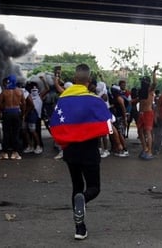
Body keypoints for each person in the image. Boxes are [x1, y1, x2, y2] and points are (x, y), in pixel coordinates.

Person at [49, 64, 113, 241]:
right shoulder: (95, 100)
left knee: (77, 187)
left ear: (75, 79)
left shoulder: (63, 99)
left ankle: (80, 228)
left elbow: (54, 123)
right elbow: (108, 127)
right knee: (94, 188)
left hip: (71, 152)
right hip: (90, 151)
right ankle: (83, 199)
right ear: (89, 80)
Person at [0, 75, 24, 160]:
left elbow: (0, 103)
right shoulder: (20, 91)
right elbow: (23, 103)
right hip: (16, 112)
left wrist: (4, 109)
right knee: (15, 133)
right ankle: (15, 153)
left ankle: (5, 153)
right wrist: (22, 114)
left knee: (6, 133)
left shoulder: (4, 92)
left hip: (7, 112)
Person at [137, 65, 158, 159]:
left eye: (143, 81)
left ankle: (149, 151)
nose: (141, 82)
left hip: (148, 113)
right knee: (140, 131)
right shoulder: (141, 91)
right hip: (141, 113)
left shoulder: (150, 90)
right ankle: (145, 148)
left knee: (148, 132)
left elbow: (155, 83)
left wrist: (154, 72)